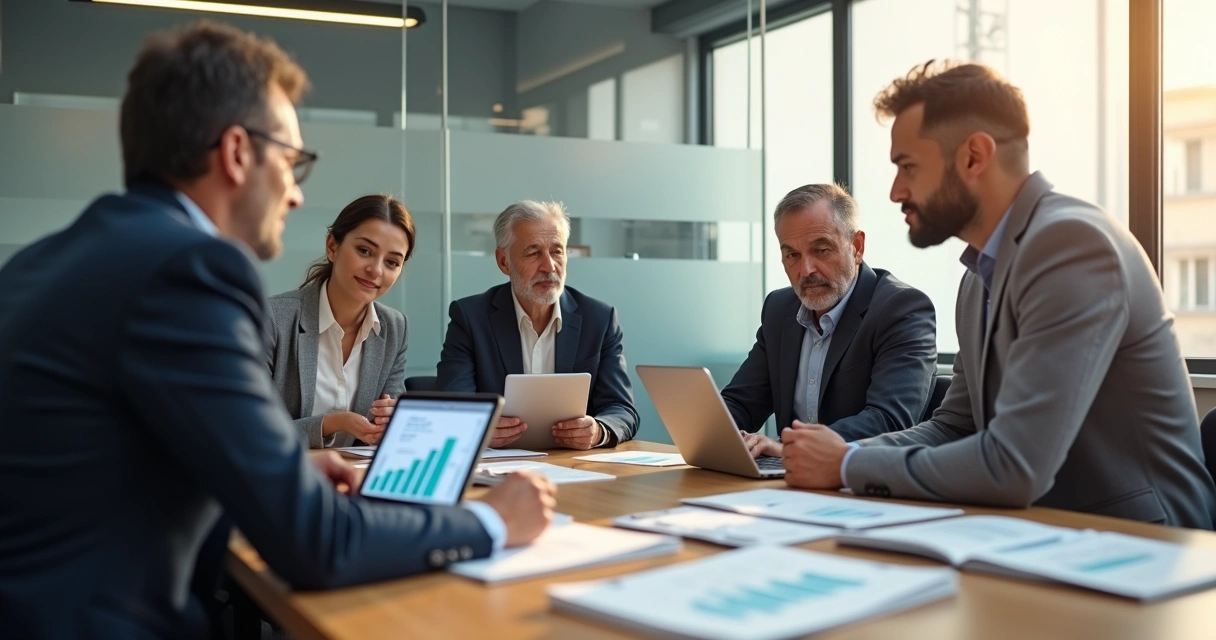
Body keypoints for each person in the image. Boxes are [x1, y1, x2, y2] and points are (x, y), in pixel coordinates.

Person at [0, 22, 555, 639]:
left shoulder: (44, 261)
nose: (293, 193)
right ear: (238, 153)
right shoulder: (191, 270)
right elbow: (315, 544)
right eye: (293, 163)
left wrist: (278, 473)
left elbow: (112, 456)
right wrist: (493, 522)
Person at [779, 60, 1216, 529]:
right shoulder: (978, 275)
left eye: (908, 167)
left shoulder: (1071, 244)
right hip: (1049, 534)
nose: (895, 191)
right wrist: (841, 452)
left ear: (973, 156)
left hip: (1147, 548)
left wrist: (846, 466)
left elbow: (1015, 464)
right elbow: (956, 426)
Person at [722, 183, 937, 458]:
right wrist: (712, 434)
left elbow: (890, 420)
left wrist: (790, 449)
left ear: (857, 247)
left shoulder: (902, 309)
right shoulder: (779, 309)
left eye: (821, 250)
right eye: (792, 255)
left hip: (861, 481)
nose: (806, 270)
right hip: (789, 482)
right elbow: (741, 403)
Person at [436, 200, 639, 450]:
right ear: (503, 261)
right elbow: (452, 407)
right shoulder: (470, 317)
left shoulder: (599, 319)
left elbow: (621, 410)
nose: (549, 266)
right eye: (533, 253)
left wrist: (598, 430)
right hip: (499, 469)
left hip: (575, 468)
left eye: (557, 251)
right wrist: (480, 429)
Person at [267, 194, 414, 449]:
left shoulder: (394, 328)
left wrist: (394, 422)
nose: (376, 270)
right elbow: (250, 430)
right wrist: (333, 423)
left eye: (392, 262)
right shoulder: (272, 318)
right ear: (332, 247)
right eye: (365, 251)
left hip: (355, 479)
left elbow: (394, 424)